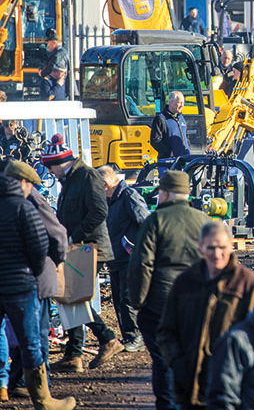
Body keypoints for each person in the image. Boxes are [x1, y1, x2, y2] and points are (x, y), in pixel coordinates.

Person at [158, 221, 254, 410]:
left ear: (231, 246)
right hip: (191, 387)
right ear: (201, 247)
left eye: (222, 247)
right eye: (211, 248)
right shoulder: (185, 282)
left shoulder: (247, 284)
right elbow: (166, 330)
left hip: (234, 390)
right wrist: (178, 363)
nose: (217, 254)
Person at [129, 171, 211, 410]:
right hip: (197, 300)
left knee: (164, 360)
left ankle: (168, 405)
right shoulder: (204, 220)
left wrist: (138, 300)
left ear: (164, 193)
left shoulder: (154, 221)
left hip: (160, 301)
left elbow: (141, 263)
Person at [43, 135, 122, 373]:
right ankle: (74, 354)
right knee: (71, 296)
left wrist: (72, 236)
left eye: (51, 167)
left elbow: (99, 212)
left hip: (89, 247)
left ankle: (106, 339)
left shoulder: (87, 177)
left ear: (59, 163)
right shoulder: (73, 179)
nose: (51, 172)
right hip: (81, 247)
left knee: (74, 296)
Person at [0, 168, 76, 410]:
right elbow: (39, 244)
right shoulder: (23, 208)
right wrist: (32, 269)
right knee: (31, 341)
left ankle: (5, 384)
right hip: (22, 283)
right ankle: (43, 399)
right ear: (22, 183)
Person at [99, 165, 151, 353]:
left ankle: (135, 337)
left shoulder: (128, 196)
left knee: (128, 300)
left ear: (105, 184)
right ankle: (130, 335)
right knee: (119, 299)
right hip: (116, 258)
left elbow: (145, 223)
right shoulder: (112, 201)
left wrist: (140, 251)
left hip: (130, 257)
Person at [150, 92, 190, 159]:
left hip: (184, 159)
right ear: (171, 102)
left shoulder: (181, 118)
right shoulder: (160, 119)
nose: (182, 105)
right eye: (180, 103)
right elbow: (155, 141)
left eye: (183, 103)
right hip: (168, 162)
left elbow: (186, 137)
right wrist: (169, 153)